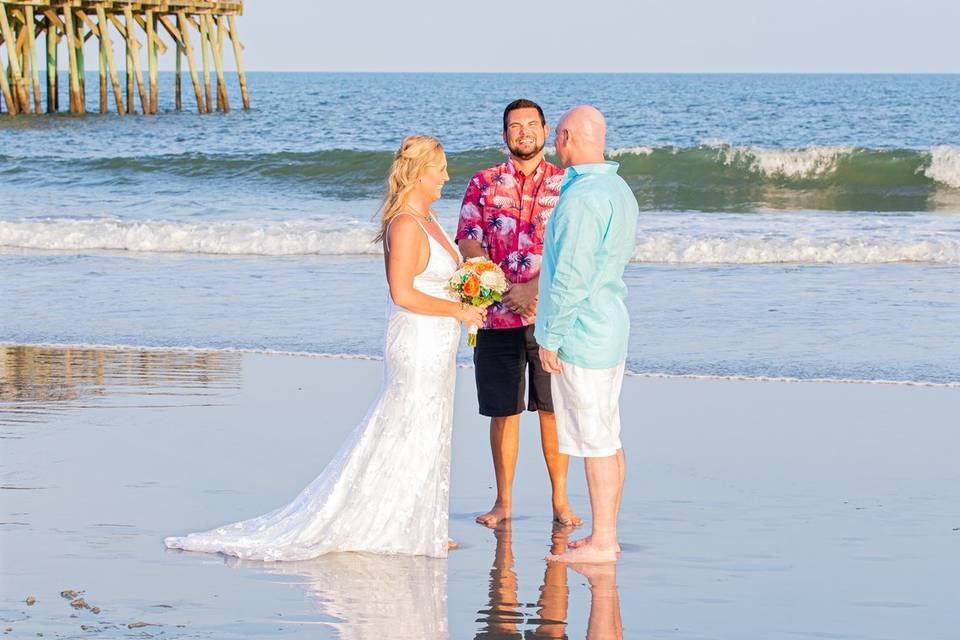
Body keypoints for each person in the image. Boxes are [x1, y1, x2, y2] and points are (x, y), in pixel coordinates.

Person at [164, 135, 485, 560]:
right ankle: (396, 524)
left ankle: (418, 520)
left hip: (437, 341)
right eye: (439, 168)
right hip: (417, 340)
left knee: (431, 425)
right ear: (418, 172)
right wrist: (458, 312)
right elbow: (402, 293)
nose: (447, 176)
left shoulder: (431, 219)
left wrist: (473, 288)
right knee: (410, 422)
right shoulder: (406, 224)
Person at [456, 99, 582, 528]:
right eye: (515, 126)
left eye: (531, 124)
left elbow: (574, 249)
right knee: (502, 411)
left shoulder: (568, 184)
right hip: (496, 317)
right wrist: (506, 288)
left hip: (551, 320)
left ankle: (561, 501)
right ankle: (504, 502)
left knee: (553, 410)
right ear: (505, 134)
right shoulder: (483, 182)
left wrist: (534, 288)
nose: (524, 132)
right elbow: (469, 242)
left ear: (547, 132)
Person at [535, 106, 639, 564]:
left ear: (569, 137)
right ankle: (606, 534)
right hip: (609, 326)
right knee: (608, 436)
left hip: (583, 331)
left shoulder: (582, 198)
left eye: (558, 135)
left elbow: (572, 276)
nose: (555, 143)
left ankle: (604, 539)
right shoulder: (617, 187)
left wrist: (550, 336)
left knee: (596, 440)